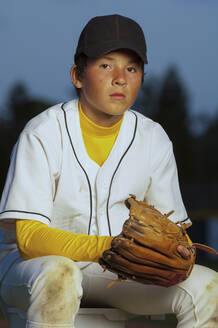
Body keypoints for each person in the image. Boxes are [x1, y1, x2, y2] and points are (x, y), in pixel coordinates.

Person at [0, 14, 217, 328]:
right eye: (106, 65)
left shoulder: (153, 138)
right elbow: (29, 239)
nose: (120, 78)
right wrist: (112, 247)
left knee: (207, 287)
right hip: (31, 268)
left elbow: (175, 232)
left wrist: (179, 253)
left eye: (132, 67)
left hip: (115, 272)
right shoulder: (43, 132)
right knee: (60, 275)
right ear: (77, 75)